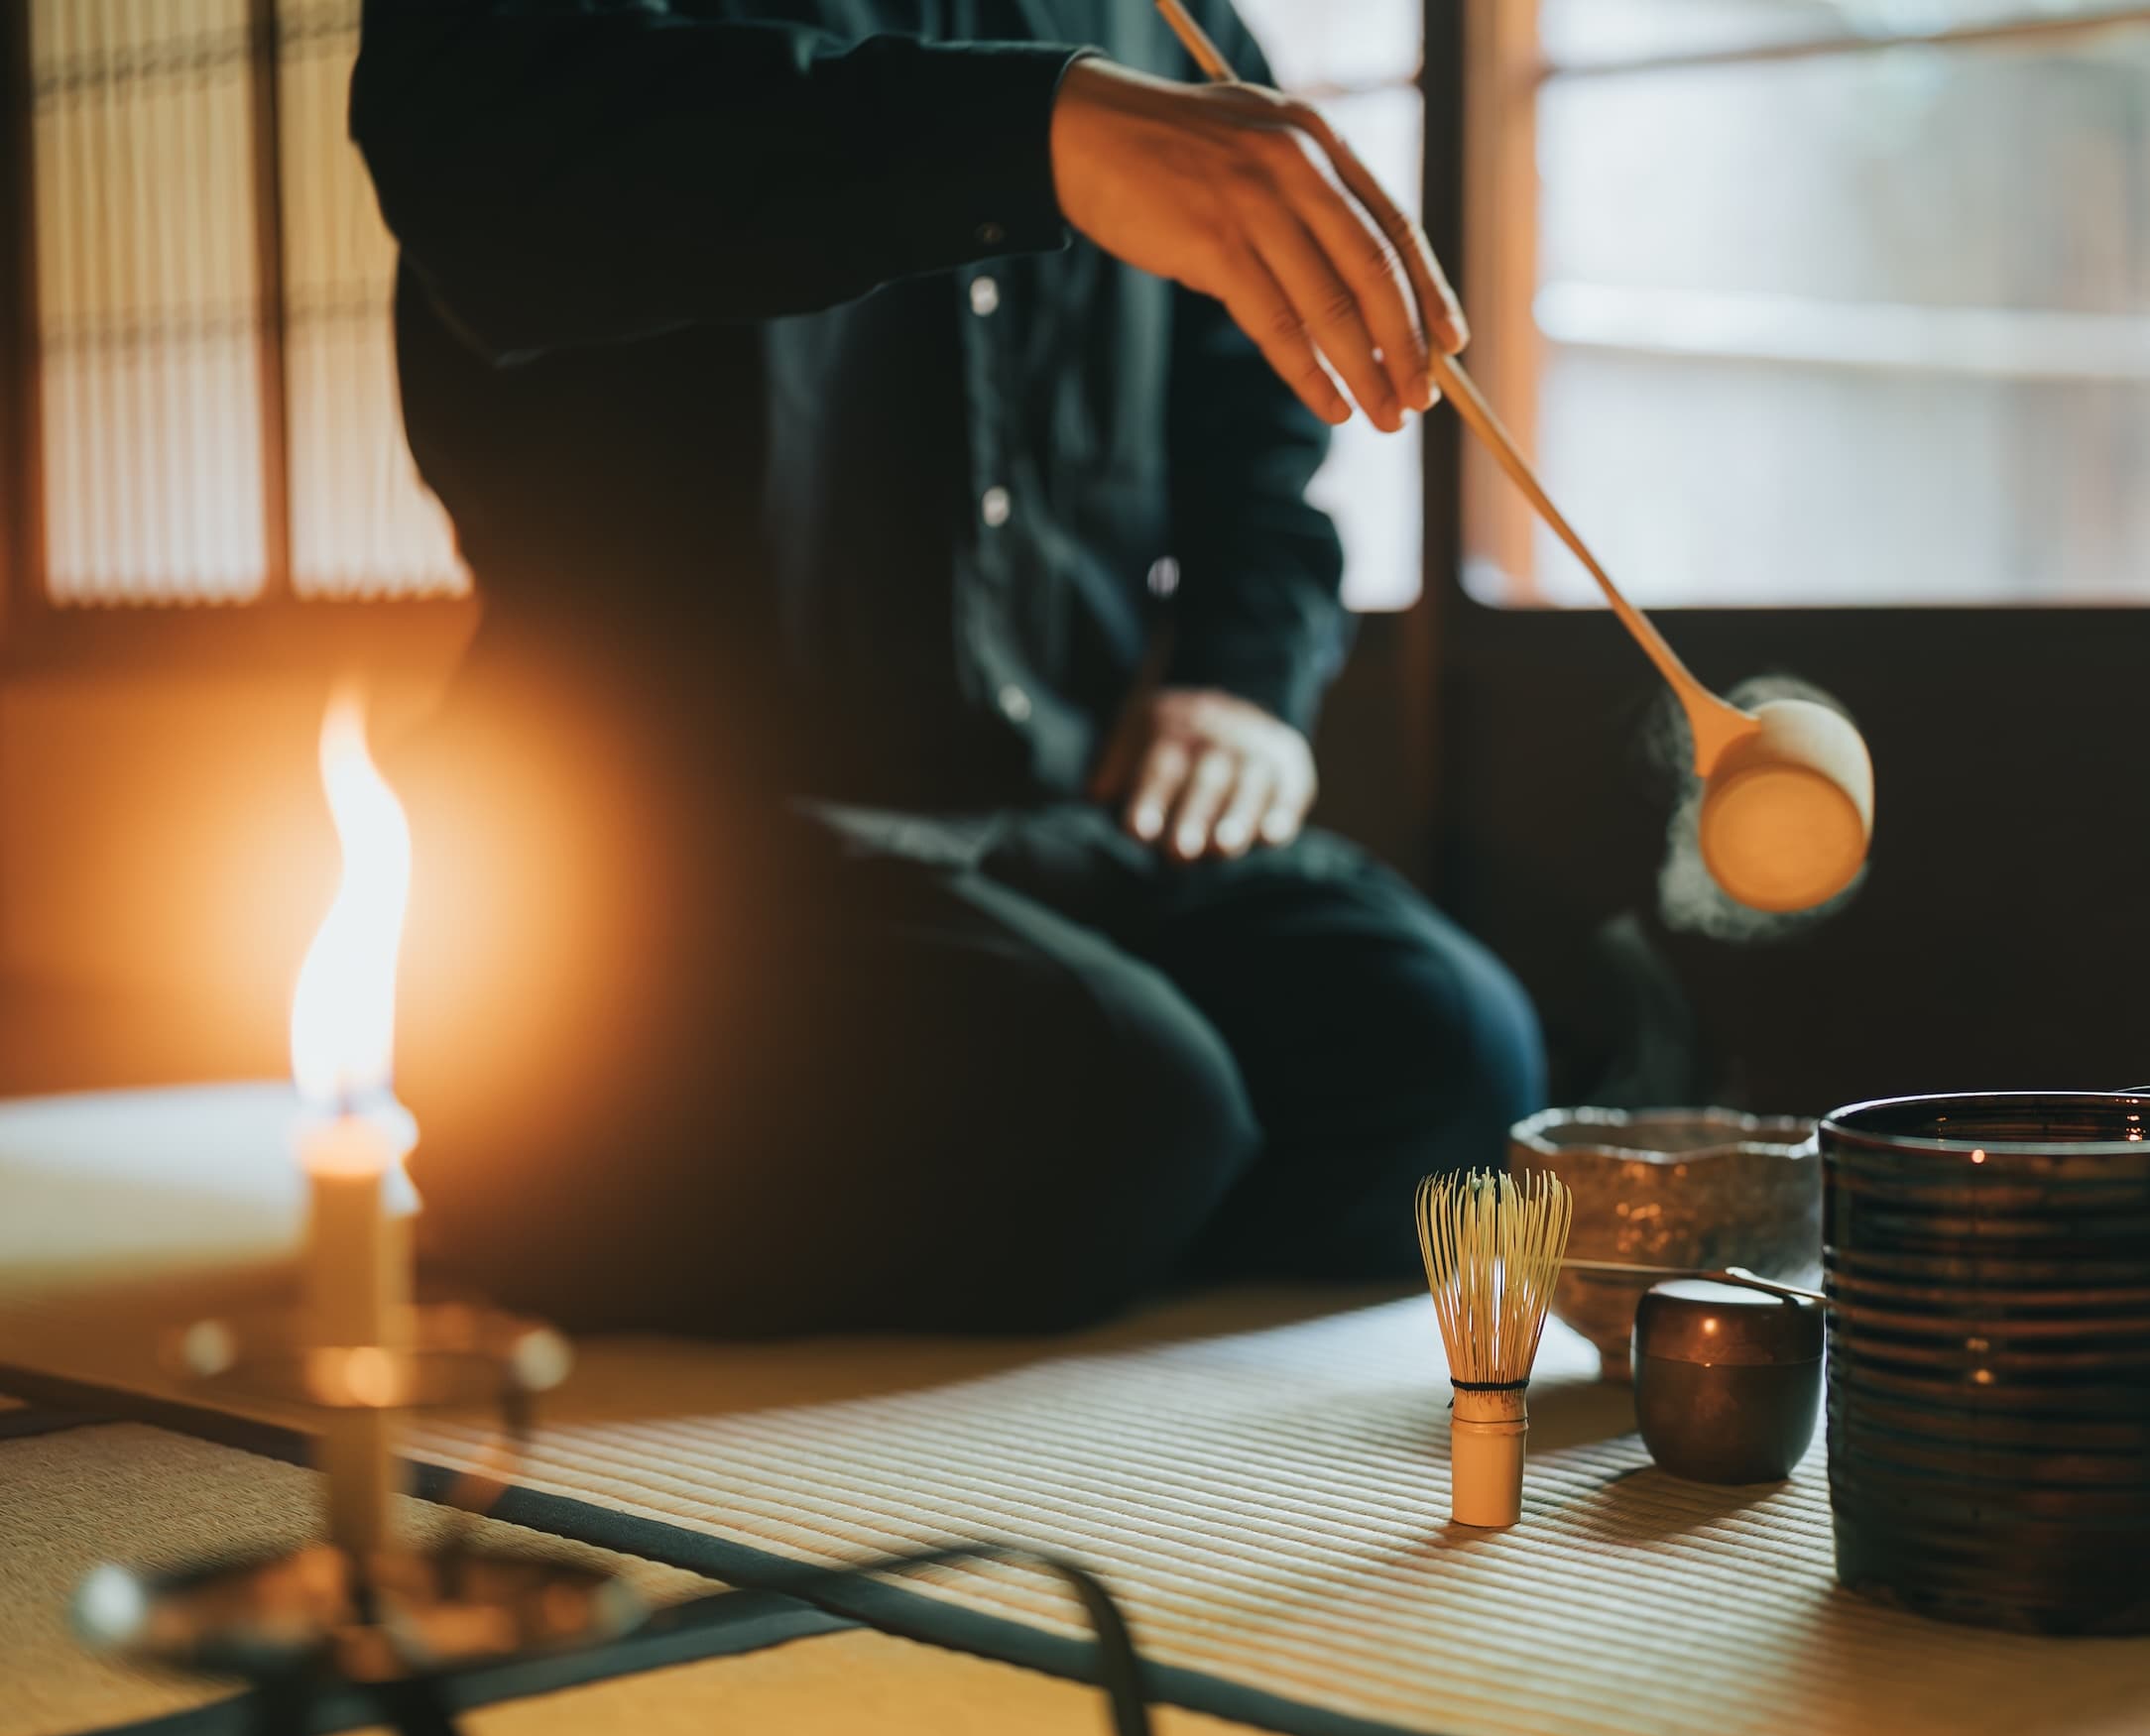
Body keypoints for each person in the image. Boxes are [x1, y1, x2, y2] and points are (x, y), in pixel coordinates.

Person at [355, 1, 1544, 1337]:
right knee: (1122, 1108)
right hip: (671, 852)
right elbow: (473, 151)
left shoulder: (1167, 17)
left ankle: (1057, 1223)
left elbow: (1250, 416)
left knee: (1453, 1064)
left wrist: (1244, 674)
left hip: (1054, 815)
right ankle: (551, 1161)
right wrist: (1037, 135)